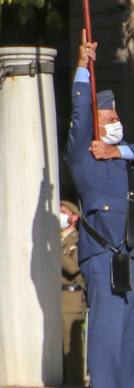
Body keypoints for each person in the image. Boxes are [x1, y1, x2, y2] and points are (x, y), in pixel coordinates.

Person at [64, 35, 134, 388]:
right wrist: (82, 67)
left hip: (130, 254)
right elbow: (79, 109)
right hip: (104, 255)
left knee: (130, 339)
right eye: (109, 116)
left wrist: (119, 153)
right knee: (106, 337)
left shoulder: (123, 155)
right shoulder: (83, 154)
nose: (117, 121)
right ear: (96, 124)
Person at [59, 198, 86, 386]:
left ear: (74, 218)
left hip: (71, 300)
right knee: (57, 347)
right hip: (53, 298)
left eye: (64, 212)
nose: (59, 215)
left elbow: (73, 267)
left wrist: (54, 250)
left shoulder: (77, 239)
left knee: (71, 347)